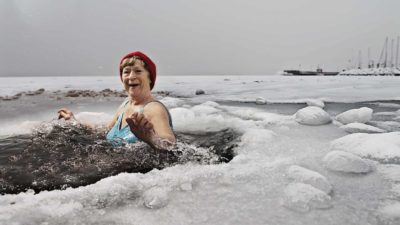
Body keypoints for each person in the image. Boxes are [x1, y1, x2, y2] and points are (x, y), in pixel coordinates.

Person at [58, 51, 176, 151]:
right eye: (126, 72)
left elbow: (171, 145)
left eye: (138, 71)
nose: (131, 76)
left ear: (150, 78)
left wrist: (151, 138)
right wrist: (74, 122)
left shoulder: (154, 109)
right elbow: (105, 131)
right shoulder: (125, 105)